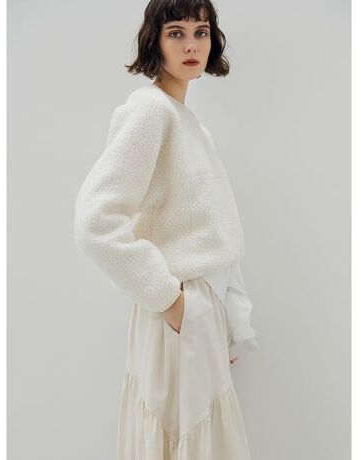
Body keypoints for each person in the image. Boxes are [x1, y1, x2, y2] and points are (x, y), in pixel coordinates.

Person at [74, 0, 258, 458]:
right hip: (176, 310)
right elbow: (96, 222)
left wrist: (226, 319)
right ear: (154, 40)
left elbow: (214, 230)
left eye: (201, 32)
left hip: (198, 313)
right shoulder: (150, 112)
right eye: (176, 32)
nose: (191, 45)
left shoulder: (190, 124)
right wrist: (171, 301)